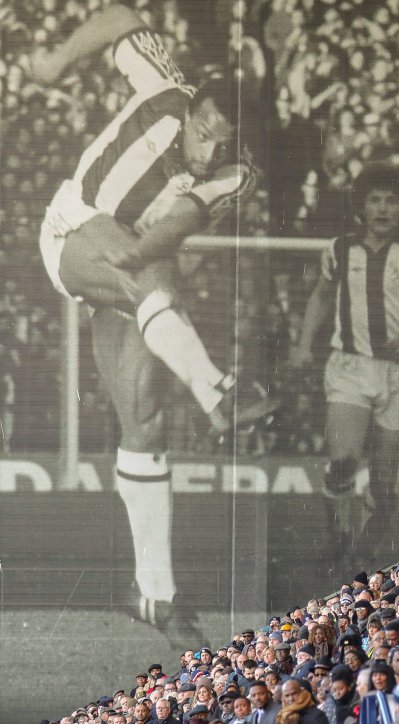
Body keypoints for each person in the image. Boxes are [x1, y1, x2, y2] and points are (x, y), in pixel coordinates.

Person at [28, 3, 275, 639]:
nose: (211, 148)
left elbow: (180, 222)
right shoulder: (165, 88)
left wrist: (142, 259)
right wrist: (52, 63)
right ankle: (216, 385)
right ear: (192, 110)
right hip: (72, 230)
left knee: (144, 416)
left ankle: (154, 592)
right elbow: (122, 17)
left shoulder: (235, 173)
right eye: (205, 131)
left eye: (227, 141)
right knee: (141, 267)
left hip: (137, 272)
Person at [291, 161, 399, 552]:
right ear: (362, 207)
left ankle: (363, 558)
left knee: (384, 482)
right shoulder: (339, 249)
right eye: (375, 201)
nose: (383, 209)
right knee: (343, 462)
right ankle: (337, 536)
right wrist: (303, 343)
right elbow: (319, 296)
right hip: (349, 366)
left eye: (391, 202)